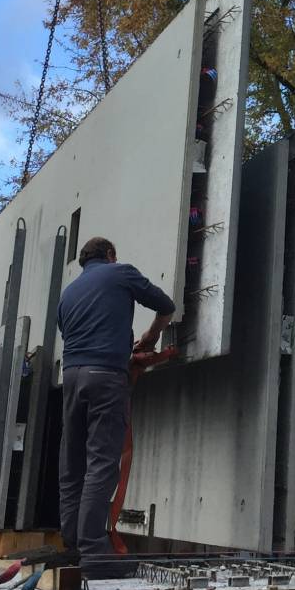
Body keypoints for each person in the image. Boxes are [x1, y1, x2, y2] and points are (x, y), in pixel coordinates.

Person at [57, 236, 175, 570]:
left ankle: (73, 544)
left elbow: (71, 335)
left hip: (73, 376)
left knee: (73, 462)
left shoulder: (67, 295)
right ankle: (95, 553)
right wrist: (151, 337)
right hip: (106, 376)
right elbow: (166, 305)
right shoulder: (120, 272)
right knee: (102, 462)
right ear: (110, 255)